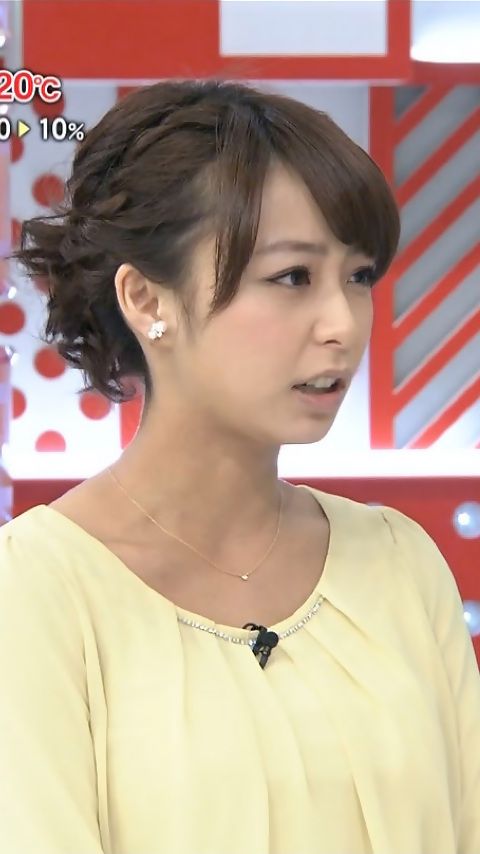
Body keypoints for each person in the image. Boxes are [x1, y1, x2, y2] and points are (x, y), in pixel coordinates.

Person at [1, 79, 479, 854]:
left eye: (359, 276)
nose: (343, 324)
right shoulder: (36, 592)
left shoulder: (399, 561)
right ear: (146, 300)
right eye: (292, 278)